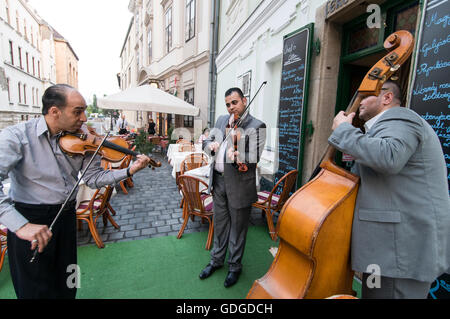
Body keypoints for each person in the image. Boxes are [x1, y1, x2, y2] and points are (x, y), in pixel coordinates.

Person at [0, 84, 151, 299]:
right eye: (77, 111)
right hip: (30, 219)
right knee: (33, 290)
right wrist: (20, 225)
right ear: (54, 111)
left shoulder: (83, 138)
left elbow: (94, 178)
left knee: (68, 282)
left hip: (66, 217)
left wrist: (129, 170)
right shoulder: (16, 136)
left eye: (84, 111)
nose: (84, 118)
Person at [328, 80, 450, 299]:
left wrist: (344, 131)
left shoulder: (401, 118)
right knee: (374, 293)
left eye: (365, 96)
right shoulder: (379, 128)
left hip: (398, 251)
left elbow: (389, 156)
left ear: (386, 98)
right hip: (385, 251)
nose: (358, 103)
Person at [200, 87, 266, 287]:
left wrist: (239, 157)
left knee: (238, 230)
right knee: (220, 225)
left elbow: (255, 157)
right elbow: (207, 141)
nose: (231, 107)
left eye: (234, 102)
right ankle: (216, 261)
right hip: (218, 181)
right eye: (228, 104)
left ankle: (235, 267)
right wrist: (209, 146)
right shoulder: (221, 120)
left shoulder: (256, 125)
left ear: (244, 101)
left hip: (239, 185)